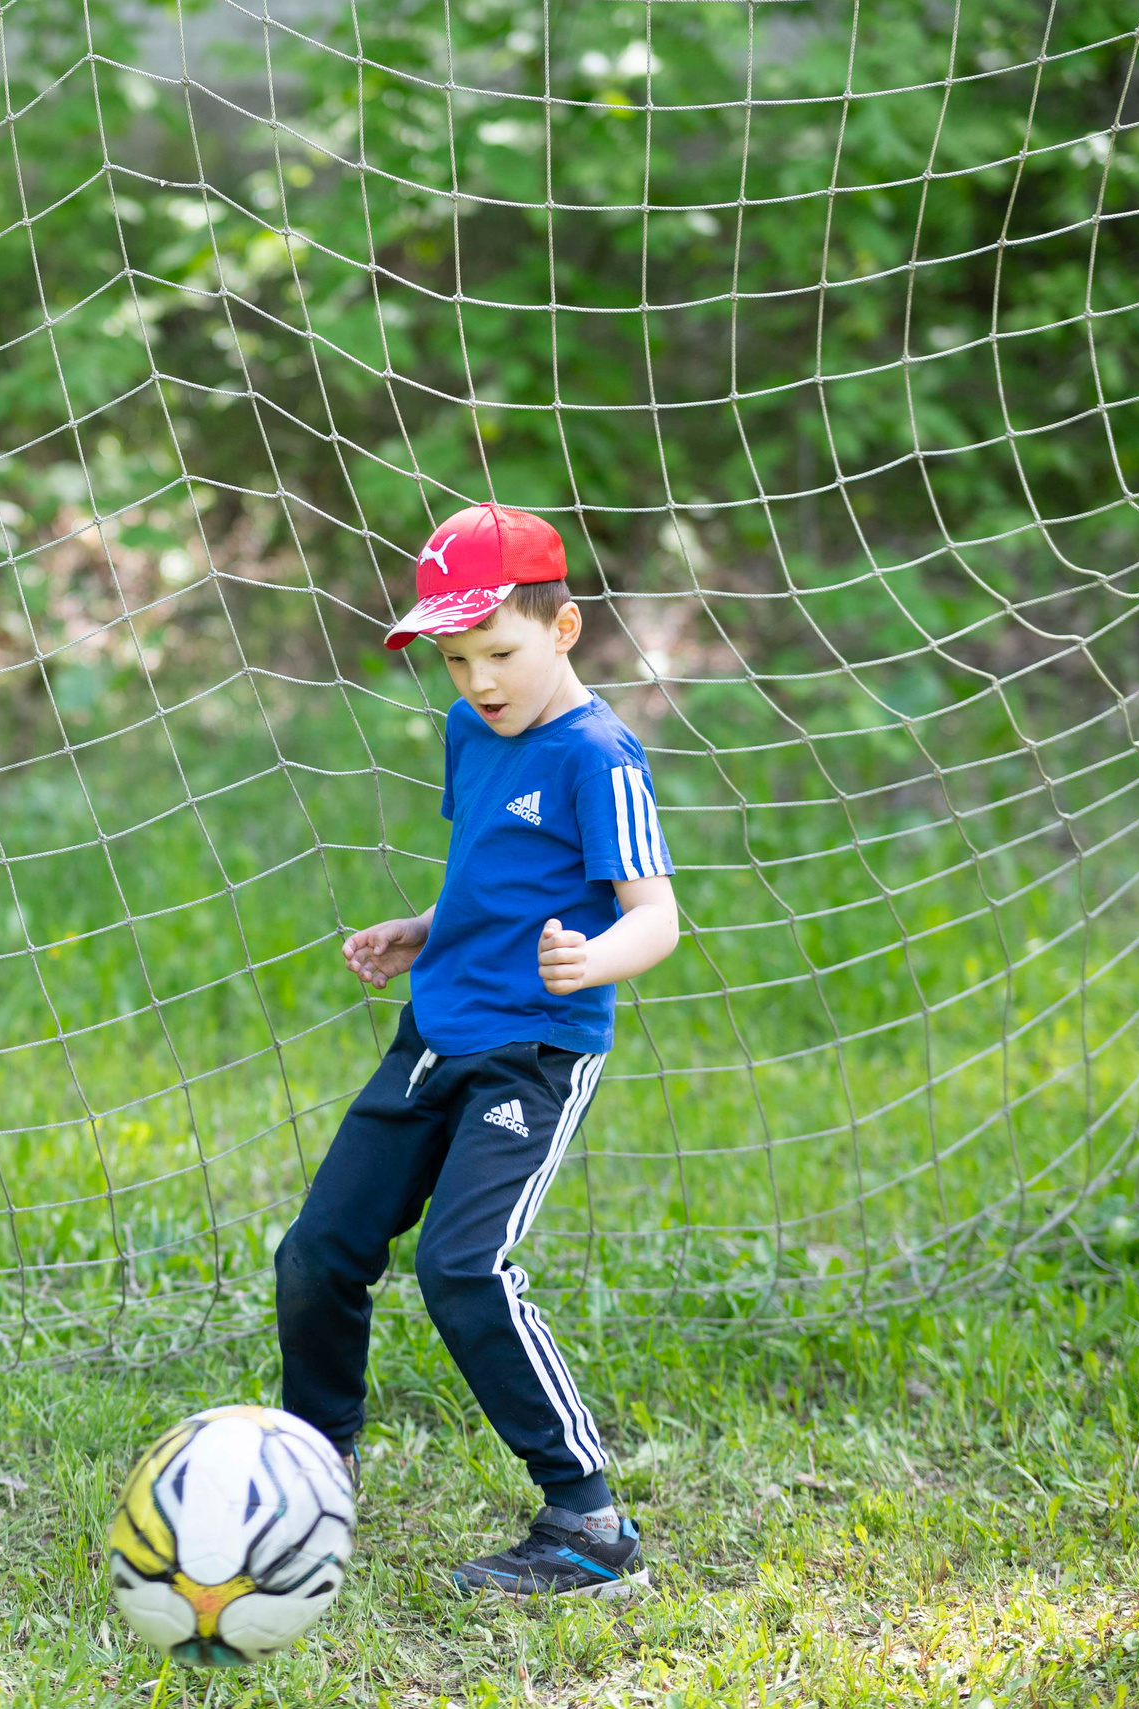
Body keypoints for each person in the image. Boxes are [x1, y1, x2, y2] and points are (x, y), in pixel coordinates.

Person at [273, 502, 679, 1600]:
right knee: (317, 1249)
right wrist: (424, 930)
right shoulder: (470, 732)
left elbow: (656, 914)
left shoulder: (600, 753)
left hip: (533, 1053)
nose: (479, 680)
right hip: (435, 1030)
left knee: (464, 1266)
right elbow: (488, 875)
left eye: (497, 651)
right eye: (456, 659)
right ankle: (312, 1469)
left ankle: (588, 1523)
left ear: (564, 627)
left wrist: (593, 961)